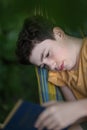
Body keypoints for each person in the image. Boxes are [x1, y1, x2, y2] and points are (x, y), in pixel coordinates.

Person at [16, 15, 87, 130]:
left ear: (58, 33)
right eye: (43, 65)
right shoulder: (59, 75)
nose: (50, 65)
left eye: (47, 54)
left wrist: (74, 109)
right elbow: (74, 117)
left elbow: (74, 110)